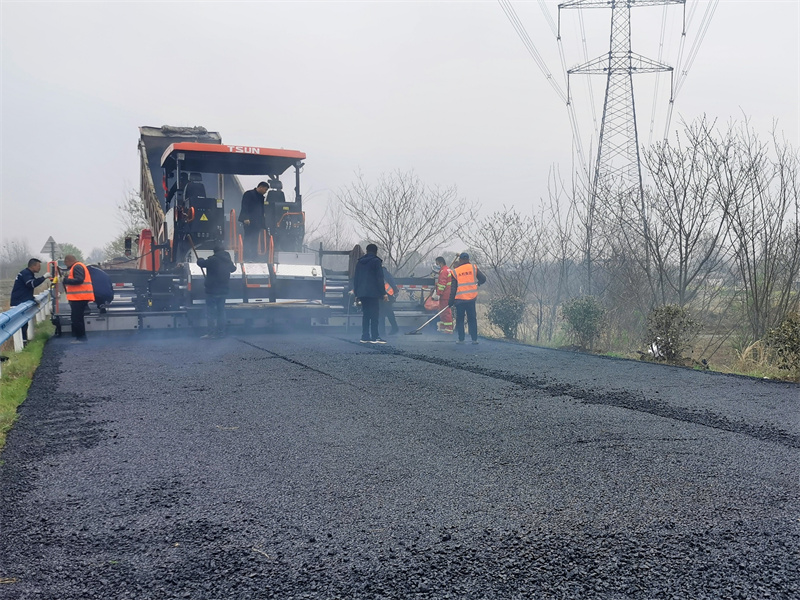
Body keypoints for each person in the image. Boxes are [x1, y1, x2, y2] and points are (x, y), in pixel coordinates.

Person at [196, 244, 237, 338]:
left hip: (212, 291)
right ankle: (221, 333)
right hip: (224, 290)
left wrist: (199, 259)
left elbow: (201, 263)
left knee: (211, 312)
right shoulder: (228, 260)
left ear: (215, 251)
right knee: (221, 311)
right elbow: (233, 269)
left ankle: (211, 333)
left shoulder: (213, 260)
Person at [448, 252, 487, 345]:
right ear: (468, 259)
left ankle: (461, 339)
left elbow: (453, 288)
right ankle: (474, 339)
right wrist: (477, 284)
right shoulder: (473, 268)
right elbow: (483, 279)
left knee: (460, 319)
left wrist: (450, 301)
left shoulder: (455, 271)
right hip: (471, 298)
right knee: (472, 318)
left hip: (460, 299)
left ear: (460, 260)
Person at [352, 243, 387, 344]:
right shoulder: (376, 262)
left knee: (366, 315)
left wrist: (357, 293)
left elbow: (356, 279)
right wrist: (383, 293)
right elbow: (379, 278)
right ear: (376, 251)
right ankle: (375, 337)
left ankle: (365, 336)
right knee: (374, 315)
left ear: (366, 251)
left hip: (362, 293)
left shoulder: (359, 263)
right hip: (373, 293)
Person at [10, 258, 50, 343]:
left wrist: (31, 298)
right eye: (38, 266)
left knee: (24, 323)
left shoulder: (27, 273)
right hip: (18, 302)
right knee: (21, 324)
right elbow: (31, 284)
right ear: (33, 266)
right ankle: (22, 342)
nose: (39, 268)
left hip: (21, 300)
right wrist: (44, 277)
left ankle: (24, 341)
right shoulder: (26, 274)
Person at [62, 255, 94, 343]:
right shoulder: (79, 266)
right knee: (78, 318)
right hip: (80, 297)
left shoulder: (77, 267)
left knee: (77, 319)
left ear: (68, 261)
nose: (65, 265)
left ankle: (81, 338)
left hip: (79, 297)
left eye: (65, 263)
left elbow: (79, 280)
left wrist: (66, 280)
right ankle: (81, 338)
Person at [239, 181, 269, 261]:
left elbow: (261, 211)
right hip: (248, 221)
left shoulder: (261, 197)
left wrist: (263, 224)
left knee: (255, 239)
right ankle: (246, 256)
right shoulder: (249, 194)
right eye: (265, 190)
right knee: (248, 238)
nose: (265, 192)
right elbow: (244, 206)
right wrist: (245, 218)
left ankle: (254, 257)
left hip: (257, 222)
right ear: (261, 187)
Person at [432, 256, 454, 333]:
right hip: (447, 294)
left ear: (441, 263)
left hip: (445, 295)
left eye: (437, 263)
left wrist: (438, 294)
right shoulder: (447, 270)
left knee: (446, 311)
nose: (436, 265)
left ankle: (449, 328)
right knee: (442, 311)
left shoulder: (444, 271)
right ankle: (443, 326)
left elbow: (442, 284)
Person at [379, 266, 400, 336]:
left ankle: (382, 331)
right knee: (387, 312)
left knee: (382, 313)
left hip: (386, 295)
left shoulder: (381, 272)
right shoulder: (384, 272)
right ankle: (393, 328)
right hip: (387, 295)